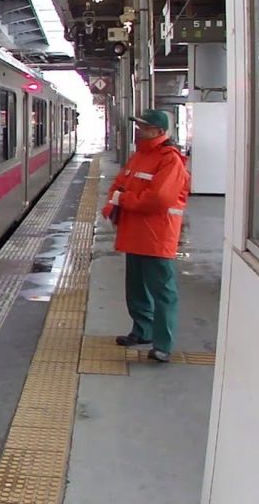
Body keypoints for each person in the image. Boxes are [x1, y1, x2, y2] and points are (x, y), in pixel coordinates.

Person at [101, 109, 190, 363]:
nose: (139, 131)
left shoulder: (170, 160)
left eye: (145, 127)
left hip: (156, 236)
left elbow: (158, 199)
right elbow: (118, 185)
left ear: (159, 132)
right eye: (139, 126)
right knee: (136, 287)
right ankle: (142, 330)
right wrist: (117, 199)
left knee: (162, 291)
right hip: (134, 233)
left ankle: (163, 345)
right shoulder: (140, 155)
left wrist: (123, 199)